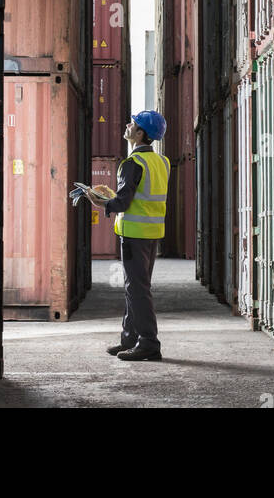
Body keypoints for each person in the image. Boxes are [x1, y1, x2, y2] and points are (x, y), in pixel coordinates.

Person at [88, 110, 170, 362]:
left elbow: (123, 202)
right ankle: (129, 339)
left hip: (134, 234)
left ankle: (148, 343)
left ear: (140, 133)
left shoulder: (132, 163)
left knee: (137, 289)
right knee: (135, 288)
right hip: (152, 233)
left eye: (132, 124)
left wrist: (99, 201)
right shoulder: (162, 162)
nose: (127, 126)